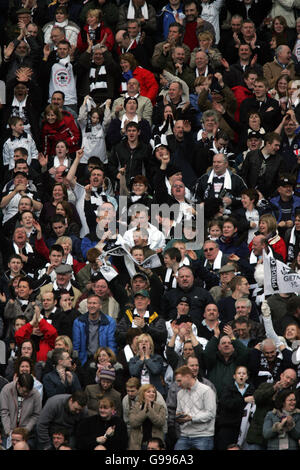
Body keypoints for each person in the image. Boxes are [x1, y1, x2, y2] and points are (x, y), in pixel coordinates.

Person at [174, 365, 216, 450]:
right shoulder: (180, 393)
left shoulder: (206, 390)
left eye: (179, 381)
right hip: (184, 435)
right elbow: (178, 412)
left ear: (188, 377)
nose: (178, 384)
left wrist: (191, 418)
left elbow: (211, 414)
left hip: (203, 435)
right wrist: (179, 417)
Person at [215, 365, 255, 450]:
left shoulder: (252, 390)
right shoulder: (227, 389)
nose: (241, 375)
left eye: (244, 373)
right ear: (234, 376)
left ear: (247, 377)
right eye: (239, 373)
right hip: (228, 427)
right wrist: (243, 400)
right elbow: (226, 404)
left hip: (245, 428)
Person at [0, 373, 42, 449]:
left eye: (28, 392)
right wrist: (8, 431)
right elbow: (4, 412)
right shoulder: (7, 390)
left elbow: (36, 415)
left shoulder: (36, 394)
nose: (26, 394)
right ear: (18, 385)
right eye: (24, 391)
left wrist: (26, 430)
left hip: (27, 433)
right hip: (8, 432)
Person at [128, 384, 166, 450]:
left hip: (155, 445)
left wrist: (150, 410)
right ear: (143, 394)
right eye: (148, 392)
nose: (152, 394)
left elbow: (160, 422)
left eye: (153, 392)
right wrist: (145, 410)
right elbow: (133, 423)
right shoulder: (135, 407)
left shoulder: (160, 407)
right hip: (138, 444)